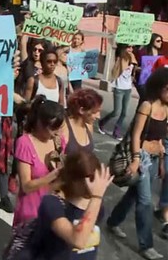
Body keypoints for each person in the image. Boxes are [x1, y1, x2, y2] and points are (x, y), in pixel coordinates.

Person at [106, 68, 168, 260]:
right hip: (140, 156)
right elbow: (135, 134)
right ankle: (146, 246)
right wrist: (136, 159)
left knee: (134, 195)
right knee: (145, 201)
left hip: (154, 158)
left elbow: (159, 137)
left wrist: (161, 162)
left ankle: (113, 221)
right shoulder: (146, 106)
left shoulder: (166, 109)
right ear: (161, 88)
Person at [30, 152, 113, 259]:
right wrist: (96, 197)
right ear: (75, 181)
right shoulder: (52, 204)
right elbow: (78, 240)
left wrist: (96, 199)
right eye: (92, 180)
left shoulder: (96, 206)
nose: (97, 185)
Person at [13, 96, 66, 226]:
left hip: (52, 212)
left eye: (60, 128)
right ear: (40, 123)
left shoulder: (58, 141)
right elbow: (26, 186)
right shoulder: (25, 143)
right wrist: (52, 175)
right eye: (53, 128)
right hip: (30, 214)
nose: (57, 132)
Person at [98, 44, 137, 140]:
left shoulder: (132, 58)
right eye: (128, 47)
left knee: (124, 113)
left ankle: (117, 130)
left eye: (132, 47)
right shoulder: (120, 58)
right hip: (119, 88)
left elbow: (134, 68)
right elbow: (115, 71)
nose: (131, 49)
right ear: (124, 48)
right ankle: (102, 122)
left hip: (128, 88)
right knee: (116, 112)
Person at [61, 88, 102, 155]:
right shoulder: (64, 128)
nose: (99, 116)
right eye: (94, 112)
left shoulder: (89, 126)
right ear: (82, 110)